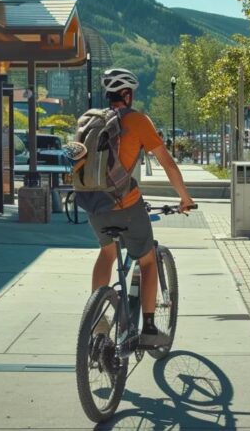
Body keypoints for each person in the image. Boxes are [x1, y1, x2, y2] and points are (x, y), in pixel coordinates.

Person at [88, 68, 194, 347]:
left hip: (93, 204)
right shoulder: (137, 121)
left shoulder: (92, 120)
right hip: (126, 204)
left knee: (107, 252)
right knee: (147, 259)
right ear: (126, 94)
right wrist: (185, 198)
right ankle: (148, 328)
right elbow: (167, 163)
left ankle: (97, 321)